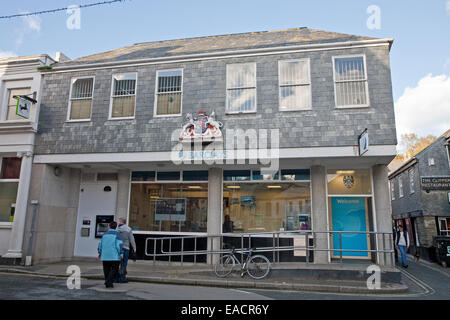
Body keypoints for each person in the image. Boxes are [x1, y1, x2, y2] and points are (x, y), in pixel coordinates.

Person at [98, 221, 123, 288]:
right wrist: (121, 253)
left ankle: (108, 283)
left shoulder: (104, 234)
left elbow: (100, 244)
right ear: (116, 227)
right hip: (114, 256)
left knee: (106, 269)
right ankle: (108, 281)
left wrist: (100, 252)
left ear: (109, 226)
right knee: (115, 269)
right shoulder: (117, 234)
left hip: (105, 255)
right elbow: (119, 244)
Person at [116, 217, 136, 283]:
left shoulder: (116, 229)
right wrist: (134, 248)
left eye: (118, 221)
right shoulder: (128, 229)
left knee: (116, 264)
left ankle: (116, 278)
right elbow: (132, 240)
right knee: (124, 264)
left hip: (118, 248)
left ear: (121, 222)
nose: (118, 222)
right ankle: (122, 278)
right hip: (126, 248)